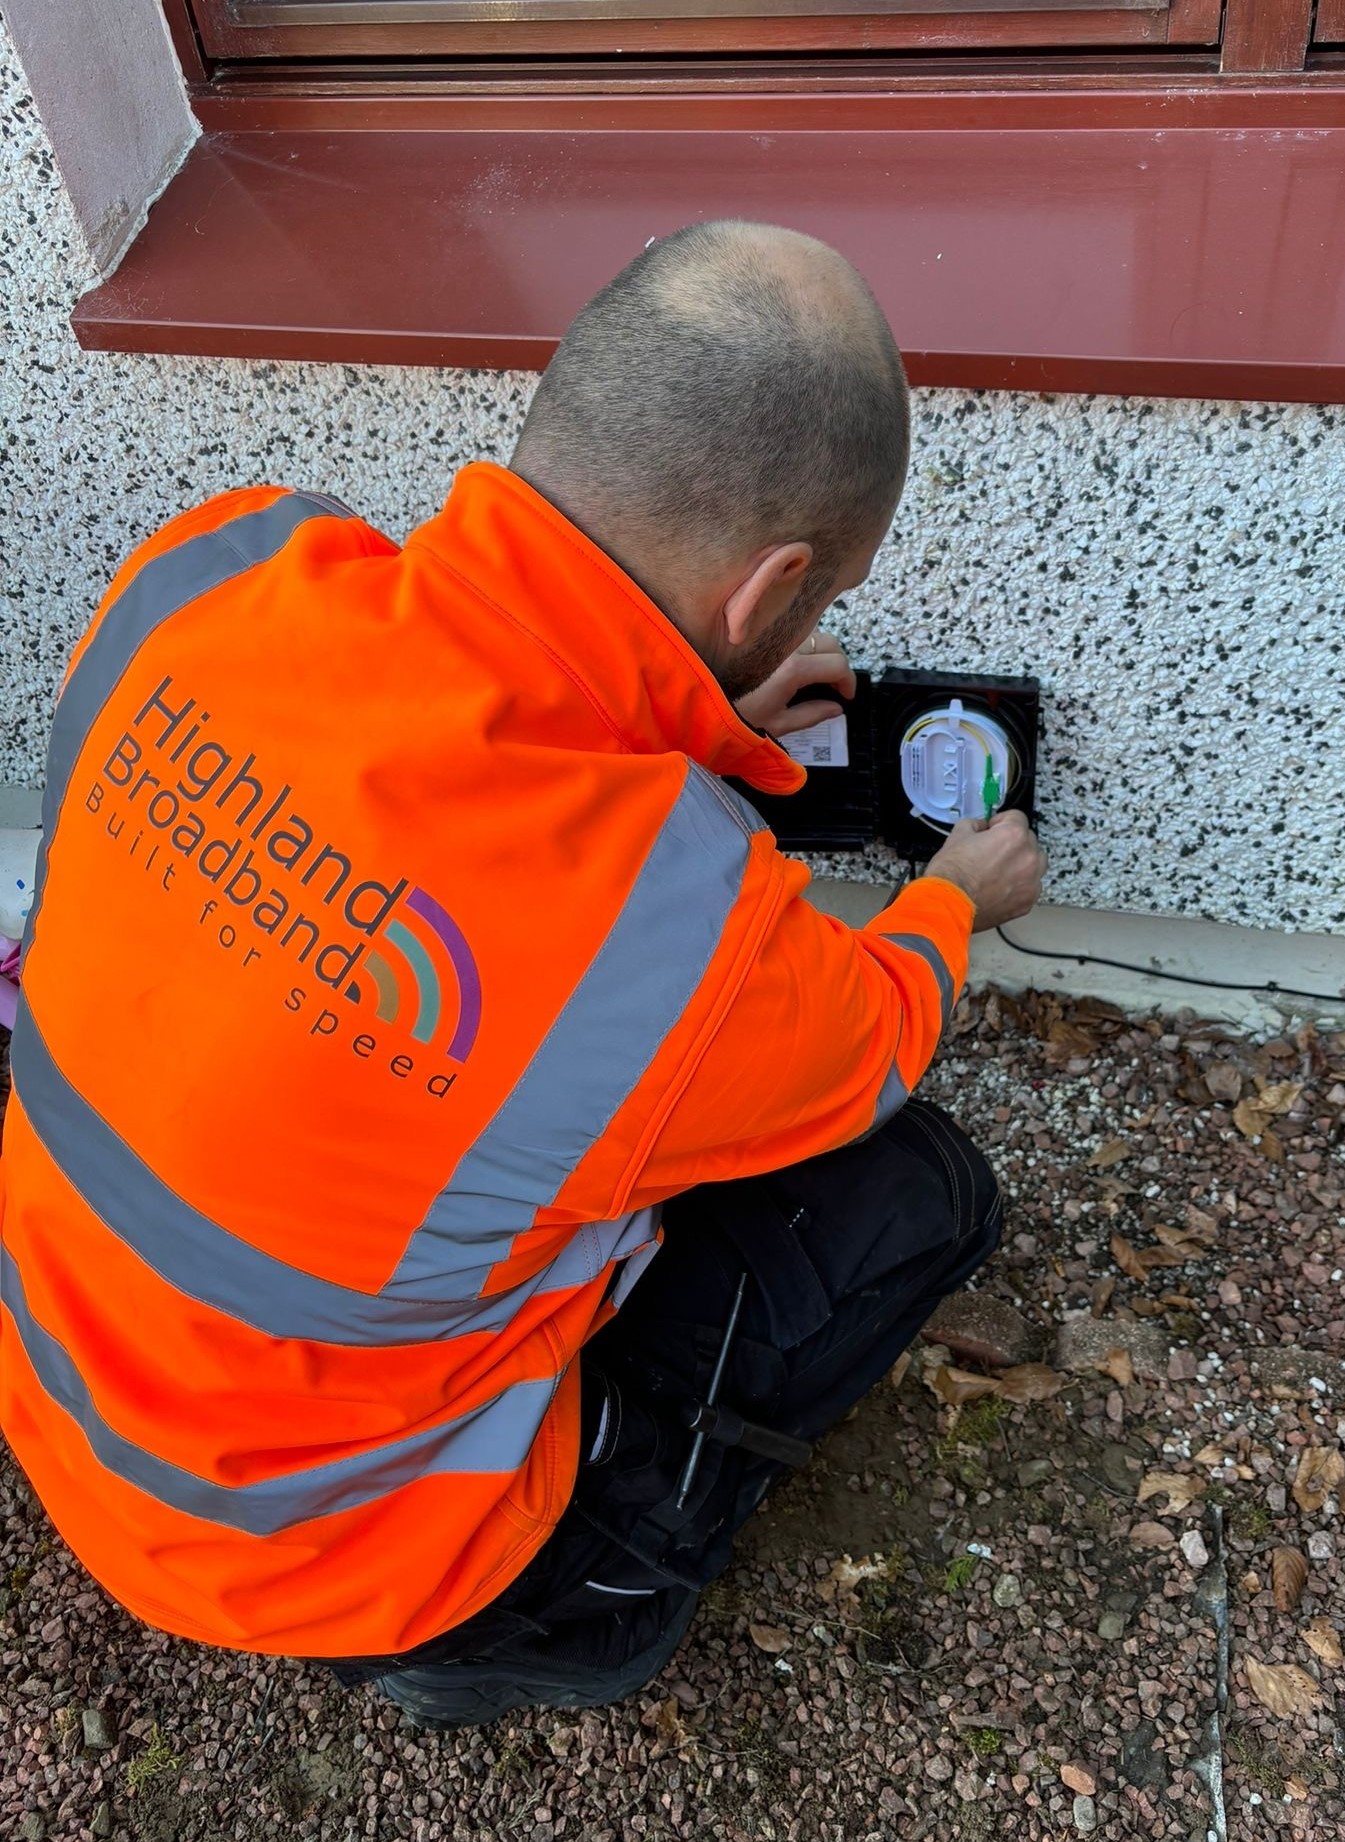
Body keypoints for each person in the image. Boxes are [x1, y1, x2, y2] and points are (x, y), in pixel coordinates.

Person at [0, 220, 1045, 1729]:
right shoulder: (675, 939)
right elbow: (874, 1030)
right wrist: (953, 902)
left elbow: (462, 750)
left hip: (69, 1406)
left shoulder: (212, 572)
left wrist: (682, 702)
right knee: (913, 1187)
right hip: (340, 1558)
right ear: (771, 592)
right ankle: (555, 1615)